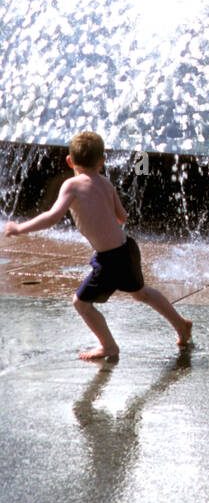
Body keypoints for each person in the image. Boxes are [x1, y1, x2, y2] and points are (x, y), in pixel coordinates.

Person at [3, 131, 192, 361]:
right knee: (142, 293)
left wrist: (19, 228)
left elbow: (52, 217)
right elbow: (122, 217)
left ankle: (109, 346)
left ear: (70, 161)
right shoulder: (106, 184)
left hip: (110, 259)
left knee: (81, 304)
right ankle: (181, 324)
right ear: (102, 161)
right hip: (126, 248)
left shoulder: (71, 185)